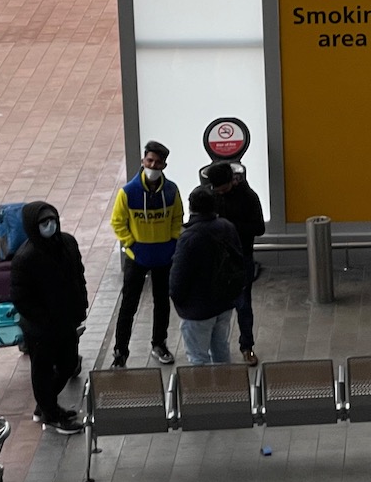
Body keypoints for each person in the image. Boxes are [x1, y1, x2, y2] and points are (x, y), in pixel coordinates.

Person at [9, 201, 87, 435]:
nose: (50, 226)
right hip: (41, 329)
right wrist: (47, 321)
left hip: (66, 322)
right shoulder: (25, 258)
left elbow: (78, 275)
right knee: (42, 371)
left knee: (68, 363)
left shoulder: (67, 243)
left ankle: (46, 405)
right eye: (44, 222)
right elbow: (21, 299)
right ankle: (51, 414)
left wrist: (80, 305)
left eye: (52, 220)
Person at [109, 140, 183, 367]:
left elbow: (177, 219)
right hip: (136, 259)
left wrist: (172, 244)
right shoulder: (128, 192)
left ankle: (159, 344)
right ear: (143, 161)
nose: (153, 165)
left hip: (163, 259)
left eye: (158, 162)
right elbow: (117, 222)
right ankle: (120, 352)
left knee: (162, 303)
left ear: (164, 165)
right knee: (128, 306)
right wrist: (131, 245)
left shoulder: (171, 191)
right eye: (149, 160)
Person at [170, 186, 251, 366]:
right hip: (224, 303)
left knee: (198, 357)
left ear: (191, 208)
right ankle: (227, 390)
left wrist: (179, 301)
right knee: (221, 350)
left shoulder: (189, 237)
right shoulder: (227, 227)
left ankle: (205, 393)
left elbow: (178, 279)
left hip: (197, 309)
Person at [203, 160, 265, 366]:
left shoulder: (248, 197)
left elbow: (258, 228)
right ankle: (215, 348)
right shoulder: (211, 195)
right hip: (215, 258)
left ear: (232, 182)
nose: (218, 193)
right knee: (215, 306)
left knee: (243, 304)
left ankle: (247, 346)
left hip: (240, 257)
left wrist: (228, 226)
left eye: (222, 189)